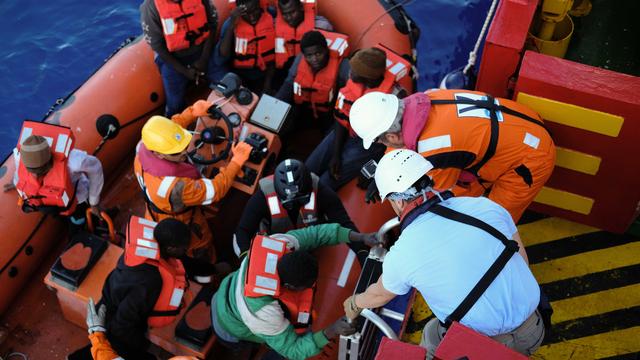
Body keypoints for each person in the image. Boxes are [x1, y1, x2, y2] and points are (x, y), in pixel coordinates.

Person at [343, 149, 544, 358]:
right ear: (428, 179)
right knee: (434, 330)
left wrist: (354, 303)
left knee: (432, 334)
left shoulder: (404, 252)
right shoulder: (486, 206)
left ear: (399, 202)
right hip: (534, 329)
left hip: (483, 348)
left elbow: (379, 295)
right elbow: (520, 258)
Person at [349, 89, 556, 222]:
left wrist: (395, 191)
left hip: (529, 160)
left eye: (380, 140)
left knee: (495, 221)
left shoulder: (434, 149)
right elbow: (408, 142)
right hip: (522, 124)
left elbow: (439, 195)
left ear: (392, 136)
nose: (382, 144)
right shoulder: (426, 100)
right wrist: (383, 174)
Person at [211, 224, 382, 359]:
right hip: (229, 325)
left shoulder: (280, 243)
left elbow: (316, 234)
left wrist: (360, 237)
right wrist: (332, 330)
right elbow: (293, 350)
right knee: (263, 347)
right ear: (290, 287)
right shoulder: (265, 314)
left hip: (226, 288)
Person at [134, 115, 252, 260]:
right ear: (158, 154)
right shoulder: (176, 188)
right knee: (201, 247)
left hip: (155, 214)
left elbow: (170, 130)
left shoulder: (143, 150)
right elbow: (215, 190)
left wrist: (193, 112)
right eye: (177, 152)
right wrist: (236, 162)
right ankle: (210, 269)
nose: (184, 152)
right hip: (184, 223)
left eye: (184, 146)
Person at [305, 46, 409, 190]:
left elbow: (397, 143)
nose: (350, 71)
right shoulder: (354, 79)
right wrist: (336, 155)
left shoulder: (396, 99)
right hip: (348, 130)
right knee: (309, 167)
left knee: (326, 183)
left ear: (368, 76)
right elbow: (341, 118)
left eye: (355, 70)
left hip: (370, 143)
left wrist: (372, 171)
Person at [234, 159, 367, 260]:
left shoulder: (321, 190)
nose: (296, 204)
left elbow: (343, 222)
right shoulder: (262, 197)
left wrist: (361, 251)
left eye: (302, 200)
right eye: (290, 203)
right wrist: (248, 259)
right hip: (275, 247)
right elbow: (243, 230)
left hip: (309, 242)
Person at [4, 122, 104, 231]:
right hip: (51, 203)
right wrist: (15, 182)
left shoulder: (74, 161)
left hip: (77, 200)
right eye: (32, 170)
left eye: (40, 170)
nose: (35, 175)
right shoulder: (20, 156)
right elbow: (20, 171)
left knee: (78, 223)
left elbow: (95, 168)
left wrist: (94, 201)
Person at [140, 0, 224, 117]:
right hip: (173, 60)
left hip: (203, 51)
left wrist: (204, 59)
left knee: (226, 84)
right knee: (174, 106)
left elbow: (212, 24)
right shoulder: (150, 7)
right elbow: (157, 45)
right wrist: (184, 71)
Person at [275, 30, 350, 133]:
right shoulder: (299, 60)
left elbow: (350, 94)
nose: (314, 59)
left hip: (329, 113)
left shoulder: (343, 66)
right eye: (309, 56)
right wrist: (274, 109)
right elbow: (287, 86)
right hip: (303, 107)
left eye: (318, 53)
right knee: (287, 126)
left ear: (326, 50)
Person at [216, 0, 276, 93]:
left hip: (266, 74)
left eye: (255, 10)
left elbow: (275, 55)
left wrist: (267, 86)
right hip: (241, 76)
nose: (252, 17)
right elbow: (223, 54)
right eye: (247, 13)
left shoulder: (270, 15)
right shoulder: (230, 23)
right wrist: (232, 25)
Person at [274, 0, 334, 70]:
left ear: (301, 7)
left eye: (292, 12)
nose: (289, 17)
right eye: (284, 14)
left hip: (311, 70)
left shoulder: (322, 26)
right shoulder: (274, 26)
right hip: (285, 69)